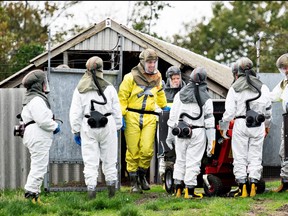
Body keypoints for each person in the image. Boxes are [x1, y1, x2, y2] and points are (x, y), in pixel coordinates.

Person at [69, 56, 122, 199]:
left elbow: (75, 112)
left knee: (90, 161)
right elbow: (117, 110)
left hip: (88, 126)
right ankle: (112, 194)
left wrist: (75, 130)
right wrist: (117, 127)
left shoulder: (80, 89)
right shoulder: (109, 88)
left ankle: (91, 193)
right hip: (107, 124)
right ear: (101, 69)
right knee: (110, 159)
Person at [118, 48, 169, 193]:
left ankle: (142, 176)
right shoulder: (130, 77)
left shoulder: (157, 77)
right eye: (149, 62)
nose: (152, 65)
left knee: (147, 150)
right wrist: (121, 115)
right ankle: (134, 182)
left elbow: (160, 93)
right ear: (142, 62)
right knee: (133, 150)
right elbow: (122, 97)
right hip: (132, 115)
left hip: (150, 116)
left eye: (154, 62)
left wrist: (165, 107)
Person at [219, 57, 272, 197]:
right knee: (255, 156)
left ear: (238, 71)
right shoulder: (263, 87)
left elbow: (229, 113)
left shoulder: (235, 88)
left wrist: (223, 128)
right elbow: (268, 111)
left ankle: (242, 188)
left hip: (241, 124)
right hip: (258, 124)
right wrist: (267, 126)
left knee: (240, 156)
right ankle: (253, 186)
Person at [168, 67, 215, 199]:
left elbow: (172, 118)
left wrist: (170, 136)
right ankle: (189, 191)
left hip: (180, 131)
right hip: (198, 131)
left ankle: (178, 189)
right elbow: (209, 122)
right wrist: (212, 141)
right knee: (193, 162)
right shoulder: (206, 98)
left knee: (180, 160)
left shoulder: (179, 95)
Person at [21, 69, 61, 204]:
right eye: (44, 82)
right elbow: (43, 120)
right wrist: (55, 126)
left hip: (34, 134)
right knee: (39, 166)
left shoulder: (31, 98)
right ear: (39, 84)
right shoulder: (37, 99)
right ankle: (31, 197)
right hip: (37, 134)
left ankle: (34, 197)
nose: (46, 85)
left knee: (38, 166)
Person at [159, 66, 186, 186]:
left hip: (180, 126)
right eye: (173, 78)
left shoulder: (185, 91)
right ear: (169, 79)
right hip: (165, 125)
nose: (176, 81)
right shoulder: (162, 92)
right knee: (166, 151)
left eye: (178, 78)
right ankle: (165, 177)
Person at [270, 53, 288, 192]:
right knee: (285, 150)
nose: (285, 71)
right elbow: (272, 96)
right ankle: (285, 182)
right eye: (283, 68)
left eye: (286, 67)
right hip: (286, 119)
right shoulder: (283, 83)